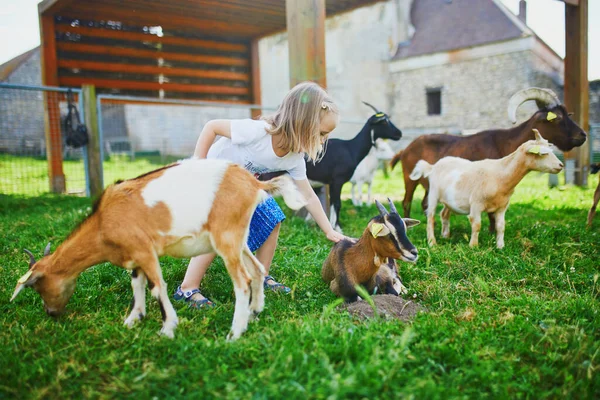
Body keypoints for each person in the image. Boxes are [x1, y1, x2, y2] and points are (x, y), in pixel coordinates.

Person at [173, 81, 345, 308]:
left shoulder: (293, 157)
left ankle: (260, 277)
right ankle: (186, 289)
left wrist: (329, 230)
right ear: (303, 123)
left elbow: (309, 196)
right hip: (213, 179)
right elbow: (212, 127)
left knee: (272, 216)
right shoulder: (257, 132)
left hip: (239, 186)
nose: (323, 140)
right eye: (322, 133)